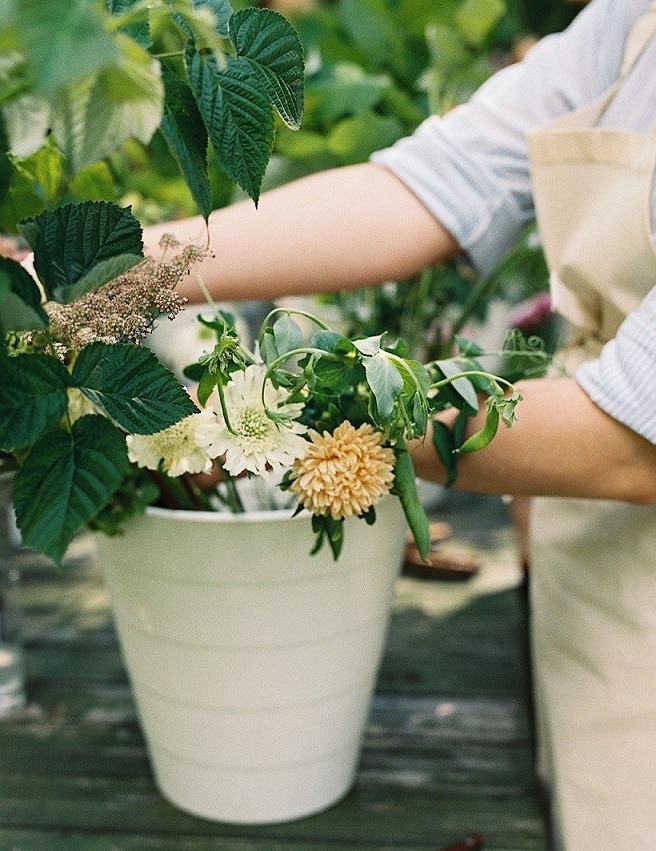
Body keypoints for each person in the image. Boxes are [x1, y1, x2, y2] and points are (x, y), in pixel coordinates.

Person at [144, 0, 656, 846]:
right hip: (596, 576)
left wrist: (285, 404)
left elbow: (629, 443)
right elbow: (435, 184)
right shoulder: (631, 23)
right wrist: (110, 272)